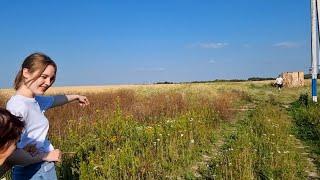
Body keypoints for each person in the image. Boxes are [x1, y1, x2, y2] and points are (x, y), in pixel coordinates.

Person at [6, 52, 90, 180]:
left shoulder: (35, 100)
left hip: (41, 168)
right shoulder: (18, 106)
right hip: (31, 172)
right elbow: (11, 154)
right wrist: (46, 156)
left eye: (51, 79)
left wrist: (76, 97)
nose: (48, 83)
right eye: (44, 76)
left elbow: (55, 100)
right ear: (26, 72)